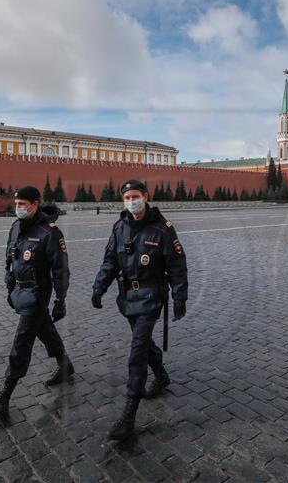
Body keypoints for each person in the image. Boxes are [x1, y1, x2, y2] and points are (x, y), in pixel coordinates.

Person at [91, 179, 188, 440]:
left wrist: (180, 298)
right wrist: (98, 288)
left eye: (135, 196)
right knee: (143, 344)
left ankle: (129, 415)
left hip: (151, 297)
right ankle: (162, 375)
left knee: (137, 353)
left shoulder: (163, 229)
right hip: (128, 298)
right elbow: (110, 261)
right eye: (126, 197)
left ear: (145, 196)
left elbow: (177, 266)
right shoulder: (120, 227)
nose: (131, 201)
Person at [0, 186, 74, 418]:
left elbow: (60, 270)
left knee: (22, 342)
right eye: (16, 204)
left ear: (35, 204)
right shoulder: (15, 228)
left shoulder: (50, 232)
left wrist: (60, 299)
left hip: (38, 292)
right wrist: (9, 286)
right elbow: (9, 259)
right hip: (21, 291)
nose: (18, 208)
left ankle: (5, 395)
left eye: (23, 204)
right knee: (44, 330)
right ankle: (65, 365)